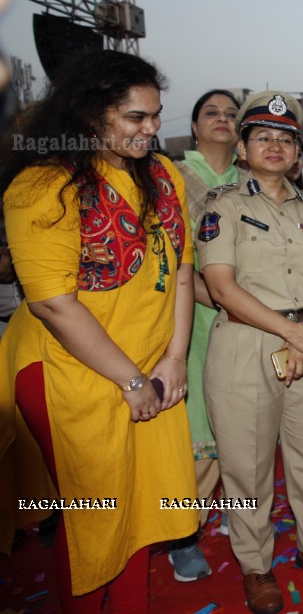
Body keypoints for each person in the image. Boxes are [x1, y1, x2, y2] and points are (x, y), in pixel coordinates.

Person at [0, 50, 198, 612]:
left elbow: (180, 268)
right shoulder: (44, 185)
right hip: (70, 374)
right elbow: (55, 305)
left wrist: (175, 359)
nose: (153, 128)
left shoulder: (162, 174)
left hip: (152, 367)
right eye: (137, 117)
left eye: (157, 114)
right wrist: (131, 381)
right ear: (92, 116)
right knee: (96, 513)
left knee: (144, 506)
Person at [196, 91, 303, 614]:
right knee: (246, 468)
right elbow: (220, 286)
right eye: (262, 136)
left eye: (285, 139)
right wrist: (294, 334)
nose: (275, 146)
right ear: (242, 146)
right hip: (247, 345)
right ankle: (255, 566)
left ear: (296, 150)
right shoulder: (222, 206)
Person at [165, 88, 242, 582]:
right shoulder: (171, 176)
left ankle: (244, 513)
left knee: (244, 425)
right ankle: (183, 533)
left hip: (247, 321)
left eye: (232, 114)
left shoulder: (254, 175)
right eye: (211, 113)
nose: (222, 120)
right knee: (194, 429)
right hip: (188, 318)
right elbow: (170, 254)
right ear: (194, 126)